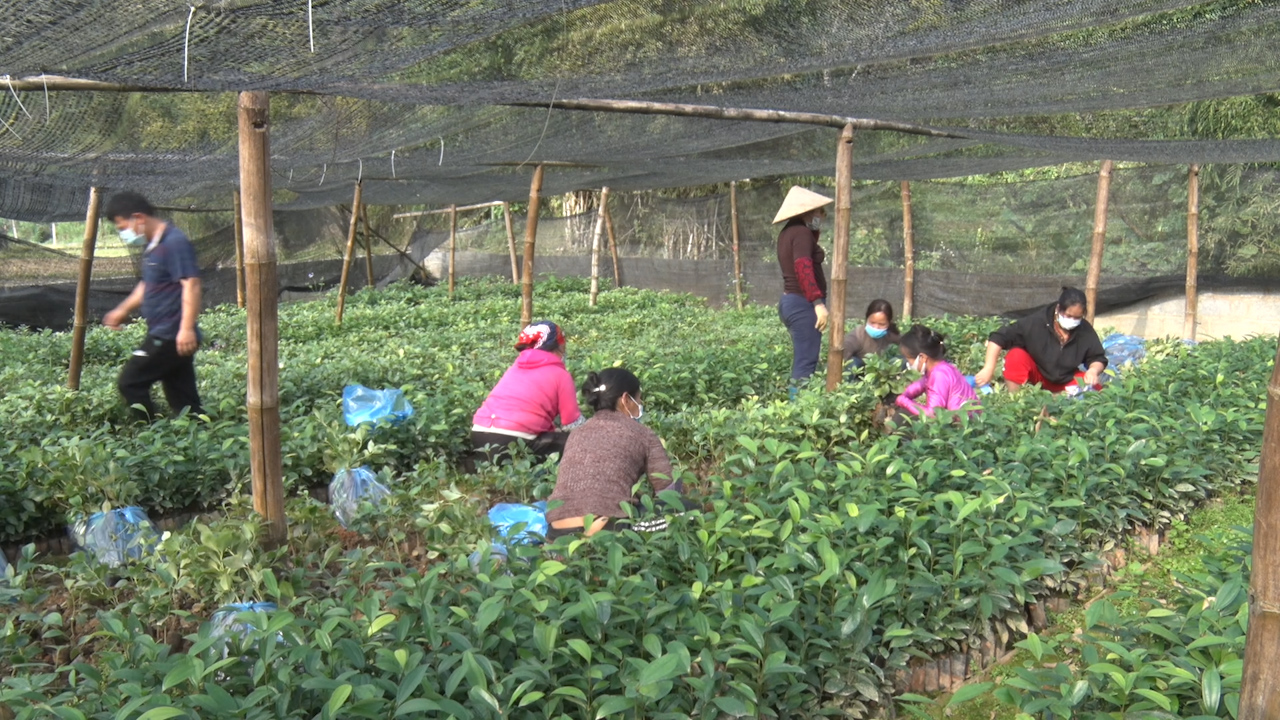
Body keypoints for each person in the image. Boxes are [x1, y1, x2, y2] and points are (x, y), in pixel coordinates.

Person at [544, 368, 685, 539]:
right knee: (688, 512)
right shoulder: (643, 434)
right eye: (638, 399)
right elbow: (669, 491)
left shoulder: (577, 433)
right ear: (626, 399)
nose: (640, 405)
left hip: (557, 531)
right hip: (607, 528)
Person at [102, 192, 204, 421]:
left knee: (130, 383)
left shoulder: (174, 242)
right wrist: (122, 310)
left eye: (122, 226)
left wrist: (186, 329)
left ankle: (149, 434)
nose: (123, 234)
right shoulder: (154, 246)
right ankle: (198, 435)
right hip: (170, 333)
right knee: (183, 398)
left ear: (138, 217)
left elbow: (192, 284)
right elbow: (148, 285)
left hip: (170, 334)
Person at [472, 321, 582, 464]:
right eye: (563, 346)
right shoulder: (561, 375)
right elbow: (572, 423)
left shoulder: (514, 369)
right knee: (579, 443)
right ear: (557, 347)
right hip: (514, 440)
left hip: (479, 437)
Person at [973, 287, 1108, 394]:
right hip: (1038, 375)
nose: (1072, 321)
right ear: (1058, 309)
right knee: (1016, 356)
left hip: (1066, 379)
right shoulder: (1036, 322)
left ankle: (1058, 399)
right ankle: (1015, 399)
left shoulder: (1084, 330)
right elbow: (999, 337)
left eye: (1077, 318)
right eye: (1068, 316)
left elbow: (1097, 357)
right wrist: (988, 368)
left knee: (1095, 388)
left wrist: (1093, 371)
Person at [774, 186, 834, 385]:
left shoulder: (789, 232)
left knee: (805, 358)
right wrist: (818, 303)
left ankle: (796, 405)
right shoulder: (800, 233)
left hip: (792, 302)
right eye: (819, 211)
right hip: (802, 304)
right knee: (806, 362)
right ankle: (796, 409)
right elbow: (803, 267)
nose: (823, 215)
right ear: (806, 212)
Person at [894, 325, 980, 420]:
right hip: (967, 418)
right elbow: (923, 383)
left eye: (909, 359)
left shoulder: (939, 375)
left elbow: (933, 414)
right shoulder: (942, 368)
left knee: (902, 417)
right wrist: (906, 394)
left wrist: (904, 401)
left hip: (961, 425)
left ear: (922, 357)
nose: (908, 363)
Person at [844, 299, 901, 372]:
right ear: (867, 319)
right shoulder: (857, 336)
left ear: (888, 323)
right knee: (853, 363)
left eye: (882, 324)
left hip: (882, 374)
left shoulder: (891, 335)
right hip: (860, 374)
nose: (876, 327)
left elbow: (907, 345)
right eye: (872, 323)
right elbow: (840, 358)